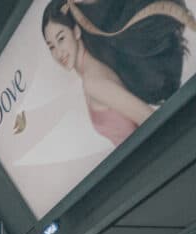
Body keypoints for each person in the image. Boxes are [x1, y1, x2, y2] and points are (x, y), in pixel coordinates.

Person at [42, 0, 196, 146]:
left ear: (76, 31)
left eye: (61, 38)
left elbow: (152, 121)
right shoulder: (97, 65)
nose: (58, 52)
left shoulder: (93, 83)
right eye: (51, 47)